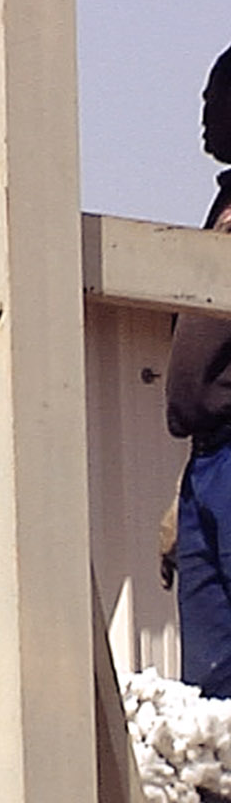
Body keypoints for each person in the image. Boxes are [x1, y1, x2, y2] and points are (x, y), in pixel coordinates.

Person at [164, 42, 231, 698]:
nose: (206, 111)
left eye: (220, 95)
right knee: (209, 686)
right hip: (207, 463)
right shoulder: (221, 209)